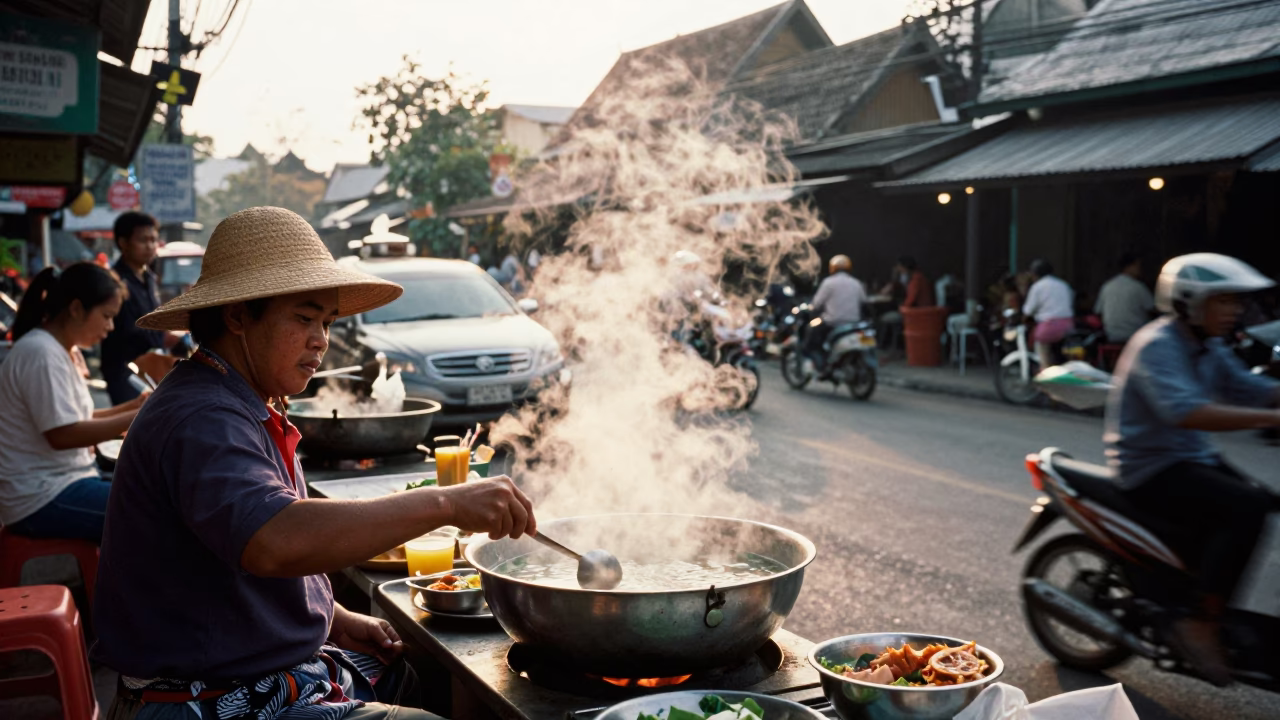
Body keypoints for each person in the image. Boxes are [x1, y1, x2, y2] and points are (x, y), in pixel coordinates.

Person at [93, 207, 537, 720]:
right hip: (195, 698)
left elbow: (235, 561)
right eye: (304, 319)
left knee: (410, 670)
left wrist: (335, 618)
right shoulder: (202, 416)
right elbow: (274, 541)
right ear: (238, 316)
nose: (321, 340)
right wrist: (445, 501)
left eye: (326, 323)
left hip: (249, 668)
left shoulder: (236, 396)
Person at [1104, 253, 1280, 686]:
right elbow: (1185, 412)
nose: (1235, 311)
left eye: (1237, 303)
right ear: (1188, 302)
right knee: (1247, 507)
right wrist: (1271, 419)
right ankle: (1199, 618)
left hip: (1191, 458)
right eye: (1224, 302)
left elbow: (1247, 387)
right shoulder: (1158, 344)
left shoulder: (1207, 346)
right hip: (1150, 467)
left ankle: (1205, 599)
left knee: (1263, 501)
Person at [0, 263, 146, 543]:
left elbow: (78, 417)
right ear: (77, 308)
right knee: (156, 511)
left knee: (152, 491)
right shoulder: (40, 352)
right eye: (106, 316)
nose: (110, 327)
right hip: (40, 496)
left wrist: (134, 406)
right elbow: (62, 434)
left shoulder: (59, 350)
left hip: (63, 482)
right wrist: (140, 415)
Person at [101, 211, 177, 405]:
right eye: (143, 240)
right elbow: (127, 330)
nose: (150, 246)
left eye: (154, 240)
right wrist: (164, 337)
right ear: (123, 243)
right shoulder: (115, 282)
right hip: (124, 370)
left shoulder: (150, 278)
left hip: (151, 367)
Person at [806, 255, 867, 371]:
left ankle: (821, 365)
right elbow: (864, 301)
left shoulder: (828, 283)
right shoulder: (856, 283)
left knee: (811, 340)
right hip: (854, 323)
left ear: (832, 268)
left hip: (832, 322)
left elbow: (816, 304)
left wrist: (812, 310)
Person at [1022, 258, 1075, 366]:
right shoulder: (1063, 284)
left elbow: (1028, 310)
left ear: (1034, 274)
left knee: (1041, 348)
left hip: (1048, 326)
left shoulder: (1037, 287)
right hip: (1068, 325)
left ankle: (1044, 369)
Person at [1094, 250, 1155, 344]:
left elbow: (1098, 312)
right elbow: (1152, 309)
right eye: (1137, 266)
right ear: (1129, 266)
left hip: (1112, 336)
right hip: (1135, 335)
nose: (1140, 269)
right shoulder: (1138, 287)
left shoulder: (1107, 286)